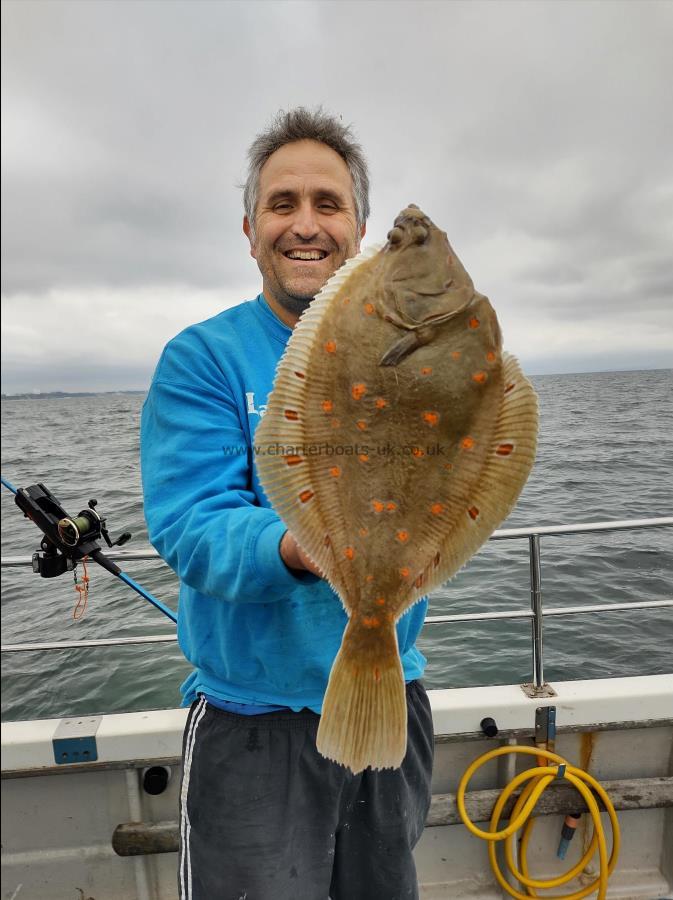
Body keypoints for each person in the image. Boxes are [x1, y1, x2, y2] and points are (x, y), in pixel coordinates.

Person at [140, 107, 433, 900]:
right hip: (253, 723)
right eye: (282, 204)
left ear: (360, 228)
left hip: (390, 697)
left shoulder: (412, 352)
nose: (305, 225)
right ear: (248, 229)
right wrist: (306, 545)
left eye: (327, 204)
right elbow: (191, 525)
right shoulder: (203, 358)